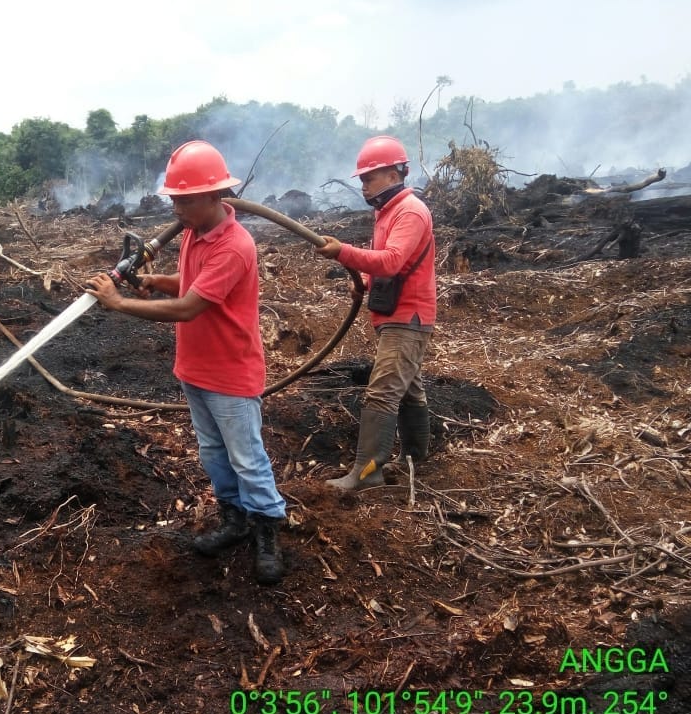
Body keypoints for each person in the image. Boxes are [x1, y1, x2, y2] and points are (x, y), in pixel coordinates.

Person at [86, 140, 286, 585]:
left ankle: (267, 530)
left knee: (247, 458)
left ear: (216, 196)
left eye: (185, 199)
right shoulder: (196, 233)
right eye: (173, 199)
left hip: (230, 374)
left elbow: (189, 306)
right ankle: (234, 521)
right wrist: (155, 280)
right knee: (214, 454)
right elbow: (192, 281)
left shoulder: (235, 246)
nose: (176, 208)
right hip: (194, 369)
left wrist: (117, 303)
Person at [315, 135, 436, 492]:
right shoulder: (387, 213)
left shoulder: (410, 211)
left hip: (408, 318)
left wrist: (343, 252)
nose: (365, 186)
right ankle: (416, 459)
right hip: (395, 314)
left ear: (393, 173)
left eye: (369, 178)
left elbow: (393, 259)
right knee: (409, 390)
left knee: (381, 392)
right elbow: (390, 265)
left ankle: (367, 474)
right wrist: (365, 284)